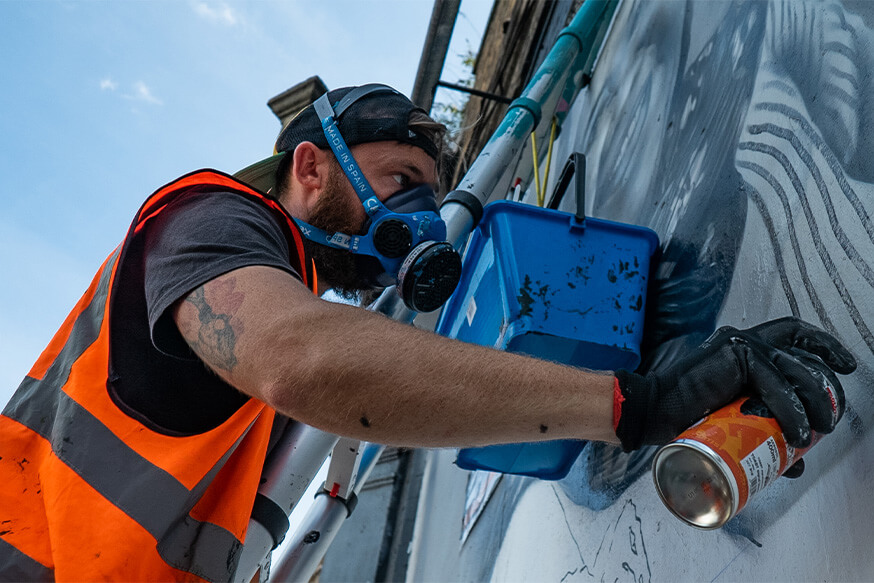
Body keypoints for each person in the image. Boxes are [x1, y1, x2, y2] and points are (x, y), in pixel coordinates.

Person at [0, 84, 857, 581]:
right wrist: (631, 401)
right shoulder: (214, 218)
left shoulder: (279, 297)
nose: (419, 212)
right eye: (401, 177)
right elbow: (305, 357)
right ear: (311, 166)